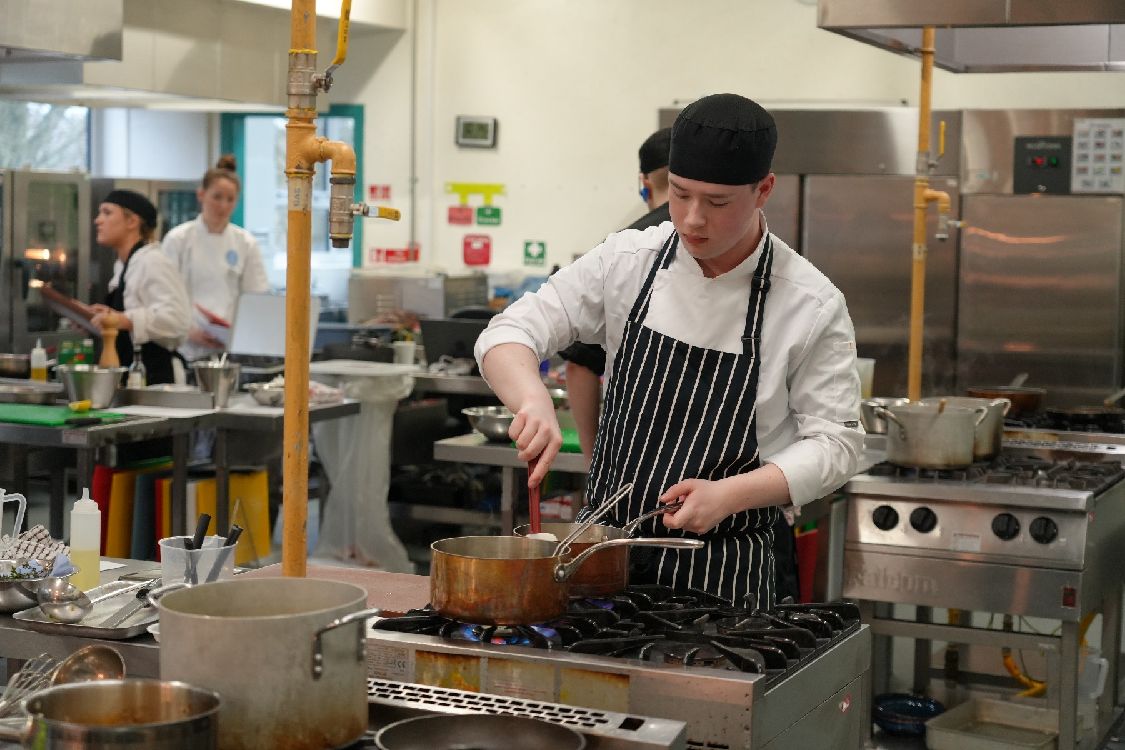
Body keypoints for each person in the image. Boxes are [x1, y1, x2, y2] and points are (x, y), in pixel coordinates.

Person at [475, 94, 863, 606]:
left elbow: (838, 444)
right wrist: (532, 399)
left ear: (763, 190)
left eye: (718, 202)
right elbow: (509, 331)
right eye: (680, 195)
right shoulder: (629, 261)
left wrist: (729, 495)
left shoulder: (809, 303)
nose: (693, 220)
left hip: (727, 573)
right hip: (599, 559)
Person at [560, 127, 672, 457]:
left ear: (644, 183)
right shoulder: (736, 247)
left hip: (634, 453)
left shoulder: (622, 250)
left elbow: (579, 365)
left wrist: (593, 459)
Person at [162, 155, 270, 363]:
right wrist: (187, 331)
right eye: (217, 197)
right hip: (185, 347)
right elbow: (165, 296)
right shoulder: (178, 240)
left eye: (230, 200)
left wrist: (236, 333)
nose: (223, 206)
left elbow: (256, 298)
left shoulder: (245, 243)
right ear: (201, 195)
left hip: (230, 350)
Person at [90, 190, 191, 385]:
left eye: (107, 213)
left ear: (132, 222)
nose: (98, 220)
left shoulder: (152, 261)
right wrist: (103, 318)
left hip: (155, 381)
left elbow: (177, 321)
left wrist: (125, 320)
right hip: (131, 378)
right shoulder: (123, 265)